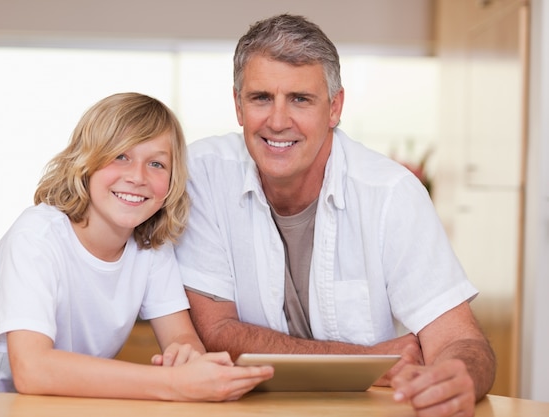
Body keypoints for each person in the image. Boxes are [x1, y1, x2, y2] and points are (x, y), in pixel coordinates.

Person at [174, 14, 496, 416]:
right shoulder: (200, 176)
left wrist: (460, 375)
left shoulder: (390, 194)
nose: (277, 120)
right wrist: (368, 359)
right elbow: (217, 332)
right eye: (260, 98)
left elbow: (458, 339)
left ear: (334, 107)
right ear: (238, 106)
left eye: (300, 99)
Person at [0, 92, 273, 401]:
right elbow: (32, 369)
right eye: (121, 156)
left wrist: (187, 358)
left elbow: (180, 336)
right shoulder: (37, 238)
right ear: (86, 162)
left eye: (157, 164)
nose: (137, 177)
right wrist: (173, 381)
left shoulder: (150, 245)